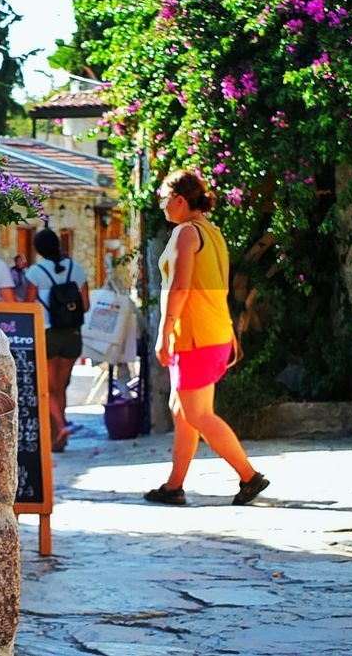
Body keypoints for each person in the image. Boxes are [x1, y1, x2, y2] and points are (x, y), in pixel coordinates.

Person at [144, 169, 269, 507]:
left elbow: (179, 287)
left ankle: (249, 476)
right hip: (214, 332)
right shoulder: (211, 232)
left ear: (181, 201)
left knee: (197, 414)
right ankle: (174, 486)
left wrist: (164, 331)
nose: (162, 206)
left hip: (195, 336)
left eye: (163, 199)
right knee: (182, 408)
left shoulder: (185, 233)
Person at [25, 228, 89, 452]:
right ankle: (58, 437)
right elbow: (86, 305)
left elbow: (29, 306)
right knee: (61, 387)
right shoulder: (77, 269)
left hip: (48, 333)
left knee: (47, 387)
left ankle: (59, 428)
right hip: (73, 333)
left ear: (39, 249)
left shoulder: (35, 272)